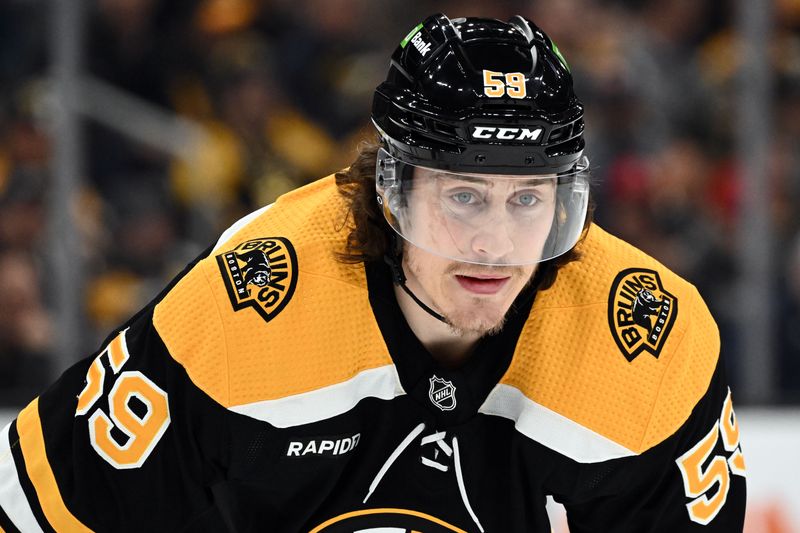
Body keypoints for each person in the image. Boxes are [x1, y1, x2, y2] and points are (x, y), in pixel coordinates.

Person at [0, 13, 746, 532]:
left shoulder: (644, 342)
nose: (494, 243)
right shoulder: (255, 305)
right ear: (392, 189)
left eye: (527, 198)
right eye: (463, 195)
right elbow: (38, 507)